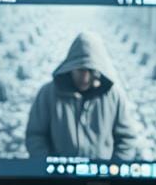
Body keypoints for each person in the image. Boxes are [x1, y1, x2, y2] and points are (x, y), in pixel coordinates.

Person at [25, 32, 140, 161]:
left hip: (102, 177)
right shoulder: (48, 94)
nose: (85, 78)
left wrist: (113, 172)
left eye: (90, 70)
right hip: (59, 177)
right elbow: (35, 136)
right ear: (70, 67)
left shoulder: (113, 96)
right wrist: (48, 169)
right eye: (80, 69)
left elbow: (126, 139)